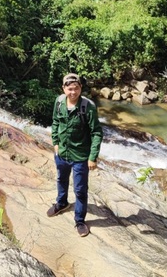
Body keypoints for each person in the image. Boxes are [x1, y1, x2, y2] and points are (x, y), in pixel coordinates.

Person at [46, 73, 103, 237]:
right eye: (70, 89)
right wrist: (55, 142)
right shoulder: (59, 102)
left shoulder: (87, 106)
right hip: (62, 153)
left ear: (80, 88)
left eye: (76, 88)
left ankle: (79, 220)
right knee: (61, 179)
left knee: (80, 190)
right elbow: (55, 122)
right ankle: (61, 203)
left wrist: (93, 157)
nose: (73, 92)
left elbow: (97, 132)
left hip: (80, 156)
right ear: (63, 89)